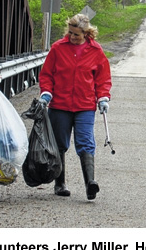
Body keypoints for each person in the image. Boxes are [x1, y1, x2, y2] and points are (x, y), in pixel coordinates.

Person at [38, 14, 111, 200]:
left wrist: (103, 97)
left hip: (84, 105)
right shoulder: (58, 48)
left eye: (76, 34)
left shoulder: (95, 51)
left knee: (86, 142)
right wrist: (46, 92)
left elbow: (102, 78)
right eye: (70, 33)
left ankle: (90, 184)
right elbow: (46, 74)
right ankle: (60, 183)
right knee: (60, 144)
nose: (72, 37)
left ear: (86, 34)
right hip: (60, 104)